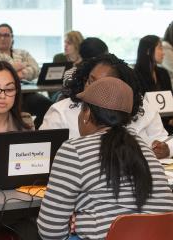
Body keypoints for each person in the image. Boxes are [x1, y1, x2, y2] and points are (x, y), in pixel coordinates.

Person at [37, 77, 173, 240]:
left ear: (86, 113)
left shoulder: (73, 150)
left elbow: (50, 232)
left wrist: (78, 221)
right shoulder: (145, 148)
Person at [40, 54, 173, 159]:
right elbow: (42, 153)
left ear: (122, 87)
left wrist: (166, 148)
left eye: (104, 85)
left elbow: (164, 139)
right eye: (91, 80)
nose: (94, 88)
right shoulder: (61, 111)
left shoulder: (142, 109)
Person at [0, 23, 53, 128]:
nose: (2, 38)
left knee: (48, 105)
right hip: (3, 93)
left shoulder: (22, 52)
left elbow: (36, 69)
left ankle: (35, 131)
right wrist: (22, 65)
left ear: (12, 37)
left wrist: (21, 73)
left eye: (6, 35)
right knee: (18, 111)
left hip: (26, 93)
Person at [134, 35, 173, 134]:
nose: (163, 53)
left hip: (169, 123)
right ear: (148, 51)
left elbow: (170, 99)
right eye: (160, 48)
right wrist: (167, 121)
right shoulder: (135, 75)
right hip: (148, 126)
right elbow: (140, 108)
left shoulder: (163, 73)